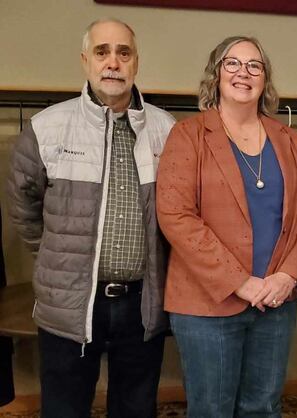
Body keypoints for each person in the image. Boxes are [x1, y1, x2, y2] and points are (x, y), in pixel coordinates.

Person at [6, 18, 175, 418]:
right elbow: (23, 207)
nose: (112, 62)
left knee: (135, 408)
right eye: (102, 52)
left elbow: (179, 213)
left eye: (123, 52)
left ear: (136, 63)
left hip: (142, 305)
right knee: (64, 409)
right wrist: (60, 258)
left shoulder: (166, 130)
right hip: (69, 306)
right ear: (85, 61)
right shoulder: (47, 127)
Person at [155, 36, 297, 417]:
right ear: (215, 74)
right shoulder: (188, 135)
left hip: (275, 303)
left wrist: (287, 276)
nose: (243, 73)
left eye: (254, 66)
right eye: (232, 63)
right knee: (212, 409)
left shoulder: (287, 140)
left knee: (263, 407)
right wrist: (240, 282)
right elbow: (176, 216)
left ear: (265, 80)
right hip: (206, 305)